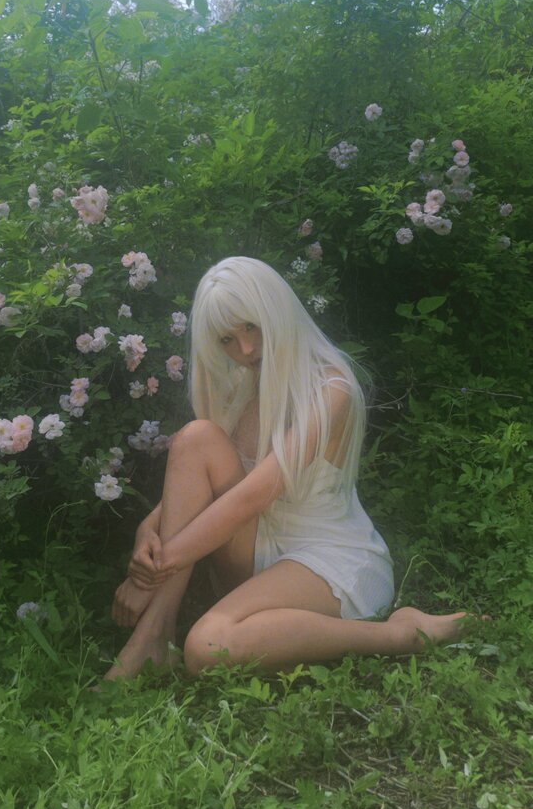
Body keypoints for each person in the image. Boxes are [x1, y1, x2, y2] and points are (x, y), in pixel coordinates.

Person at [104, 256, 473, 680]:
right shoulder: (240, 388)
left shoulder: (332, 390)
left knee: (208, 646)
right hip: (256, 553)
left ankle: (397, 635)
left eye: (251, 326)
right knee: (196, 437)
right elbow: (194, 487)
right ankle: (153, 636)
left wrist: (151, 575)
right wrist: (148, 529)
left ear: (275, 309)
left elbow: (254, 494)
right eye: (227, 339)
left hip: (329, 559)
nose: (245, 349)